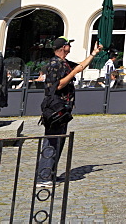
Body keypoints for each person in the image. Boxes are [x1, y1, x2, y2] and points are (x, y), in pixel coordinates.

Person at [37, 37, 102, 187]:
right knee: (51, 142)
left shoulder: (64, 63)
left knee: (58, 142)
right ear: (62, 47)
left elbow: (80, 66)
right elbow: (56, 86)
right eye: (68, 45)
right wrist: (73, 74)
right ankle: (43, 177)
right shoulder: (54, 64)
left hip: (63, 109)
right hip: (55, 108)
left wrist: (94, 53)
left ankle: (50, 175)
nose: (70, 47)